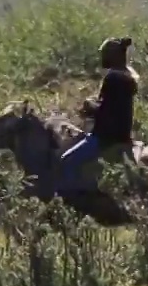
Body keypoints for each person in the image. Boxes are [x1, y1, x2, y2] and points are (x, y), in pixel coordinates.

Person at [57, 37, 139, 196]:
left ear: (113, 56)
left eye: (105, 54)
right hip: (123, 134)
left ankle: (72, 198)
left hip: (106, 136)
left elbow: (107, 111)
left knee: (67, 160)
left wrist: (90, 107)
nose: (103, 58)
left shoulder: (113, 78)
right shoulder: (128, 76)